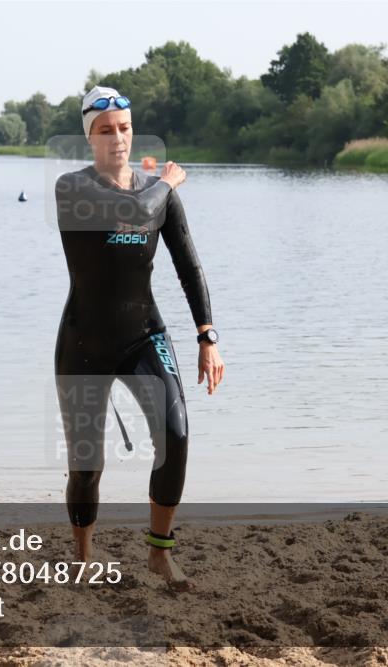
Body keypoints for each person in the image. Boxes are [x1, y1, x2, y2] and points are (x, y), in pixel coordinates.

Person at [54, 85, 225, 590]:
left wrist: (206, 333)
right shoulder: (73, 190)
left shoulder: (159, 195)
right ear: (91, 137)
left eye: (125, 128)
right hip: (83, 344)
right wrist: (168, 183)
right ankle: (83, 556)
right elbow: (132, 213)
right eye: (106, 131)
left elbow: (189, 264)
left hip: (142, 335)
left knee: (176, 434)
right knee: (86, 466)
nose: (118, 138)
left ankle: (159, 553)